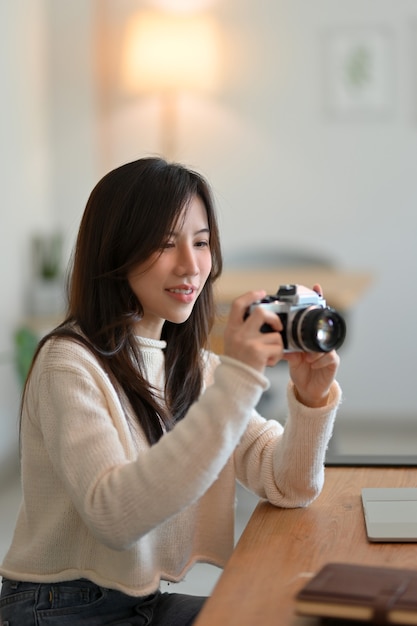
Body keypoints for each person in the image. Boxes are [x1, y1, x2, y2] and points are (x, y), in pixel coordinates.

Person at [0, 157, 342, 625]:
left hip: (138, 602)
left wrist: (310, 399)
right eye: (165, 243)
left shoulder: (192, 367)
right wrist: (240, 380)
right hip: (57, 610)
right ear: (116, 251)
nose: (191, 265)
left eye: (201, 243)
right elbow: (115, 516)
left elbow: (288, 483)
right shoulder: (68, 363)